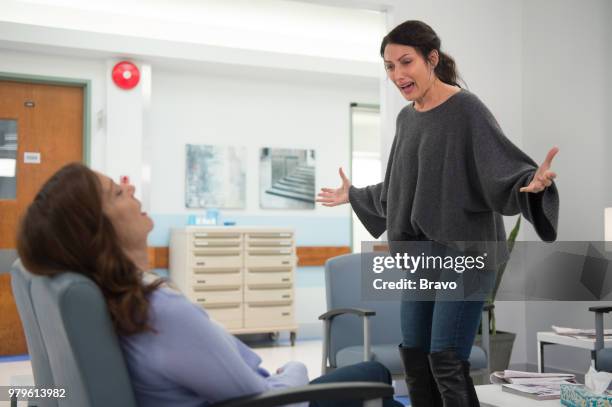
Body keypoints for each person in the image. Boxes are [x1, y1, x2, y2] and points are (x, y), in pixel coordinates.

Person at [17, 163, 403, 407]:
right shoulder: (158, 312)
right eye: (117, 193)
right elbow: (264, 395)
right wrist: (296, 367)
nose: (131, 188)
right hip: (276, 399)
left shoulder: (111, 302)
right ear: (96, 231)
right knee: (373, 376)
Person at [317, 20, 559, 407]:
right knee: (414, 356)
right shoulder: (406, 118)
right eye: (389, 66)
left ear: (431, 59)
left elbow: (503, 169)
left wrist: (530, 183)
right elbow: (401, 189)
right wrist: (355, 194)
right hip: (422, 257)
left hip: (466, 254)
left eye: (405, 62)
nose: (397, 74)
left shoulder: (466, 109)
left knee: (445, 359)